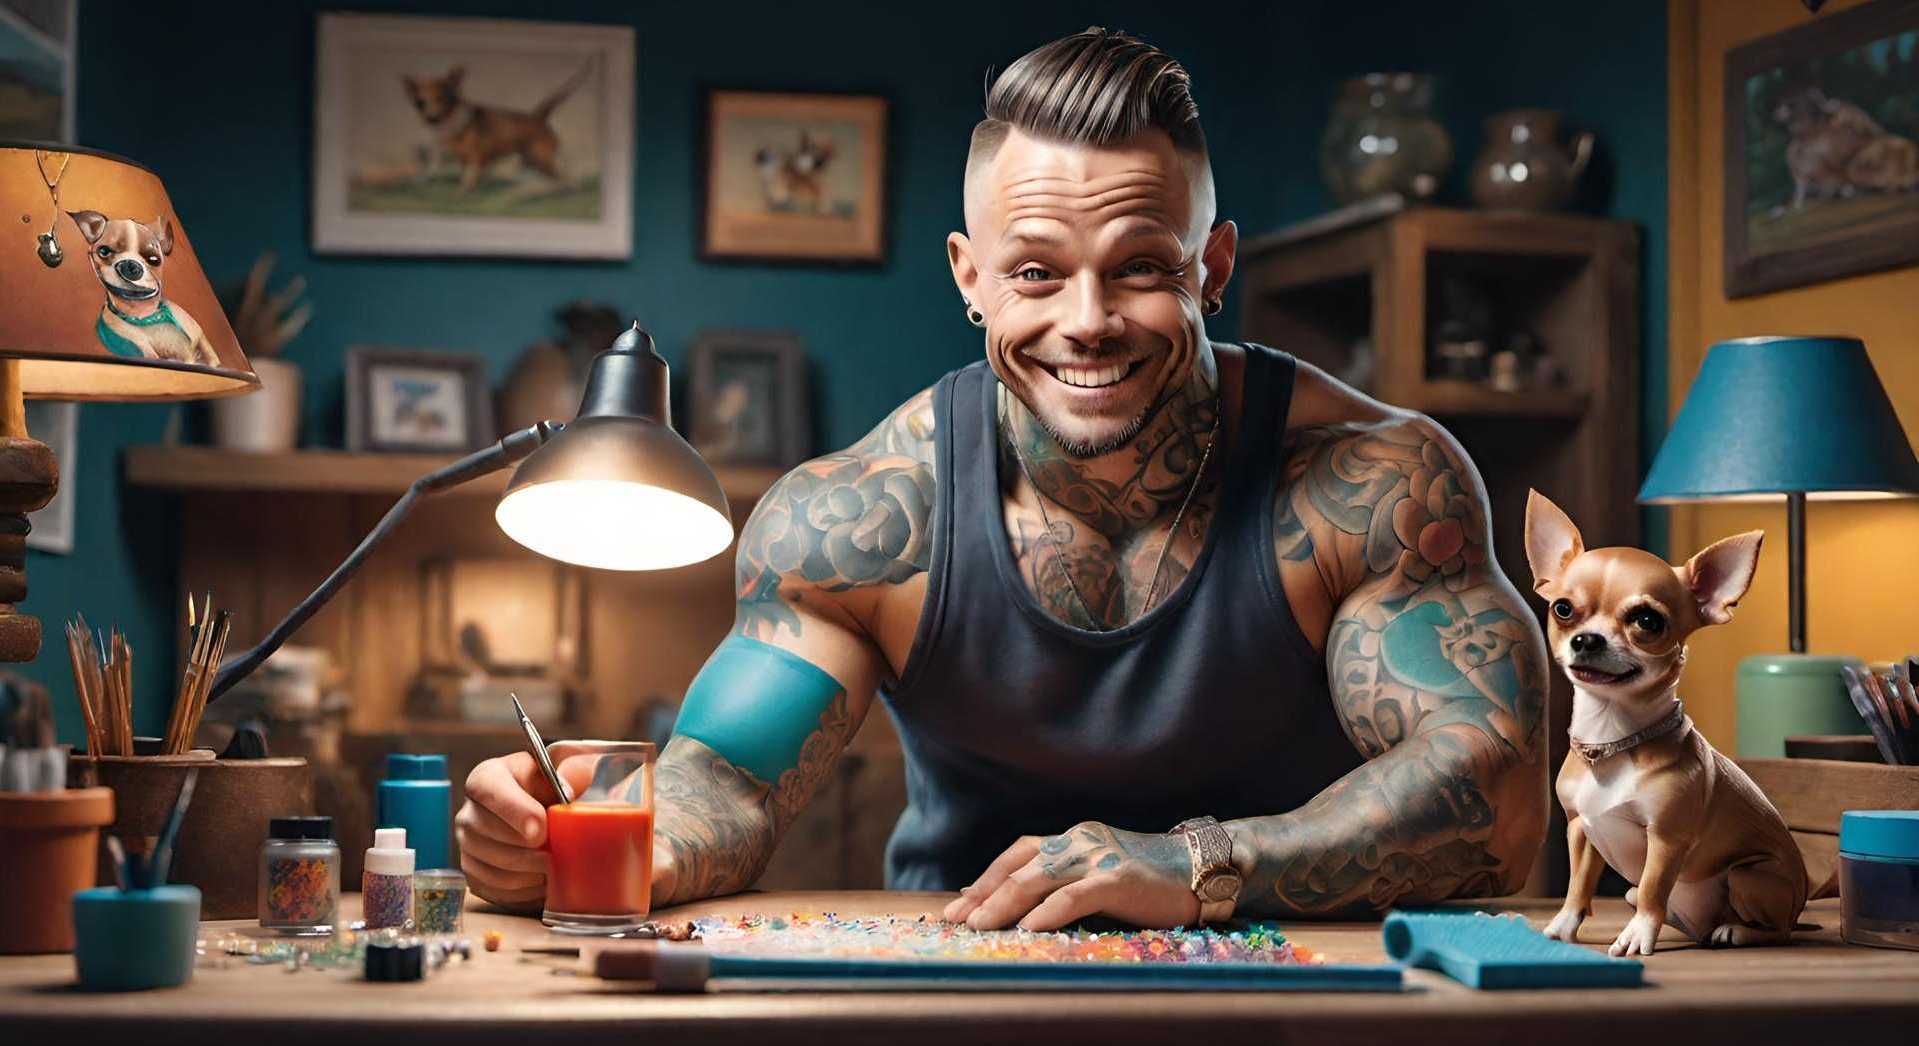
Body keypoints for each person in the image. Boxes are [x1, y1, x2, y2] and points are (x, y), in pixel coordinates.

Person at [457, 27, 1548, 930]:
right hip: (955, 982)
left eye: (1138, 267)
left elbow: (1491, 800)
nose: (1085, 321)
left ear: (1210, 269)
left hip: (1301, 990)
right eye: (1035, 272)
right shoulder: (860, 519)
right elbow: (729, 782)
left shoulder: (1370, 481)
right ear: (969, 278)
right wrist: (574, 843)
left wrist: (1196, 865)